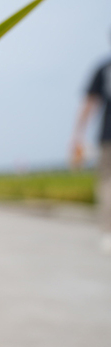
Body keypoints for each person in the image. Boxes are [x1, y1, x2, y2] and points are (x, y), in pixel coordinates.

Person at [71, 50, 111, 253]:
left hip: (107, 137)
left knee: (107, 185)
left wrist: (77, 135)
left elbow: (89, 104)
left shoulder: (104, 68)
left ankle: (108, 232)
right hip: (107, 138)